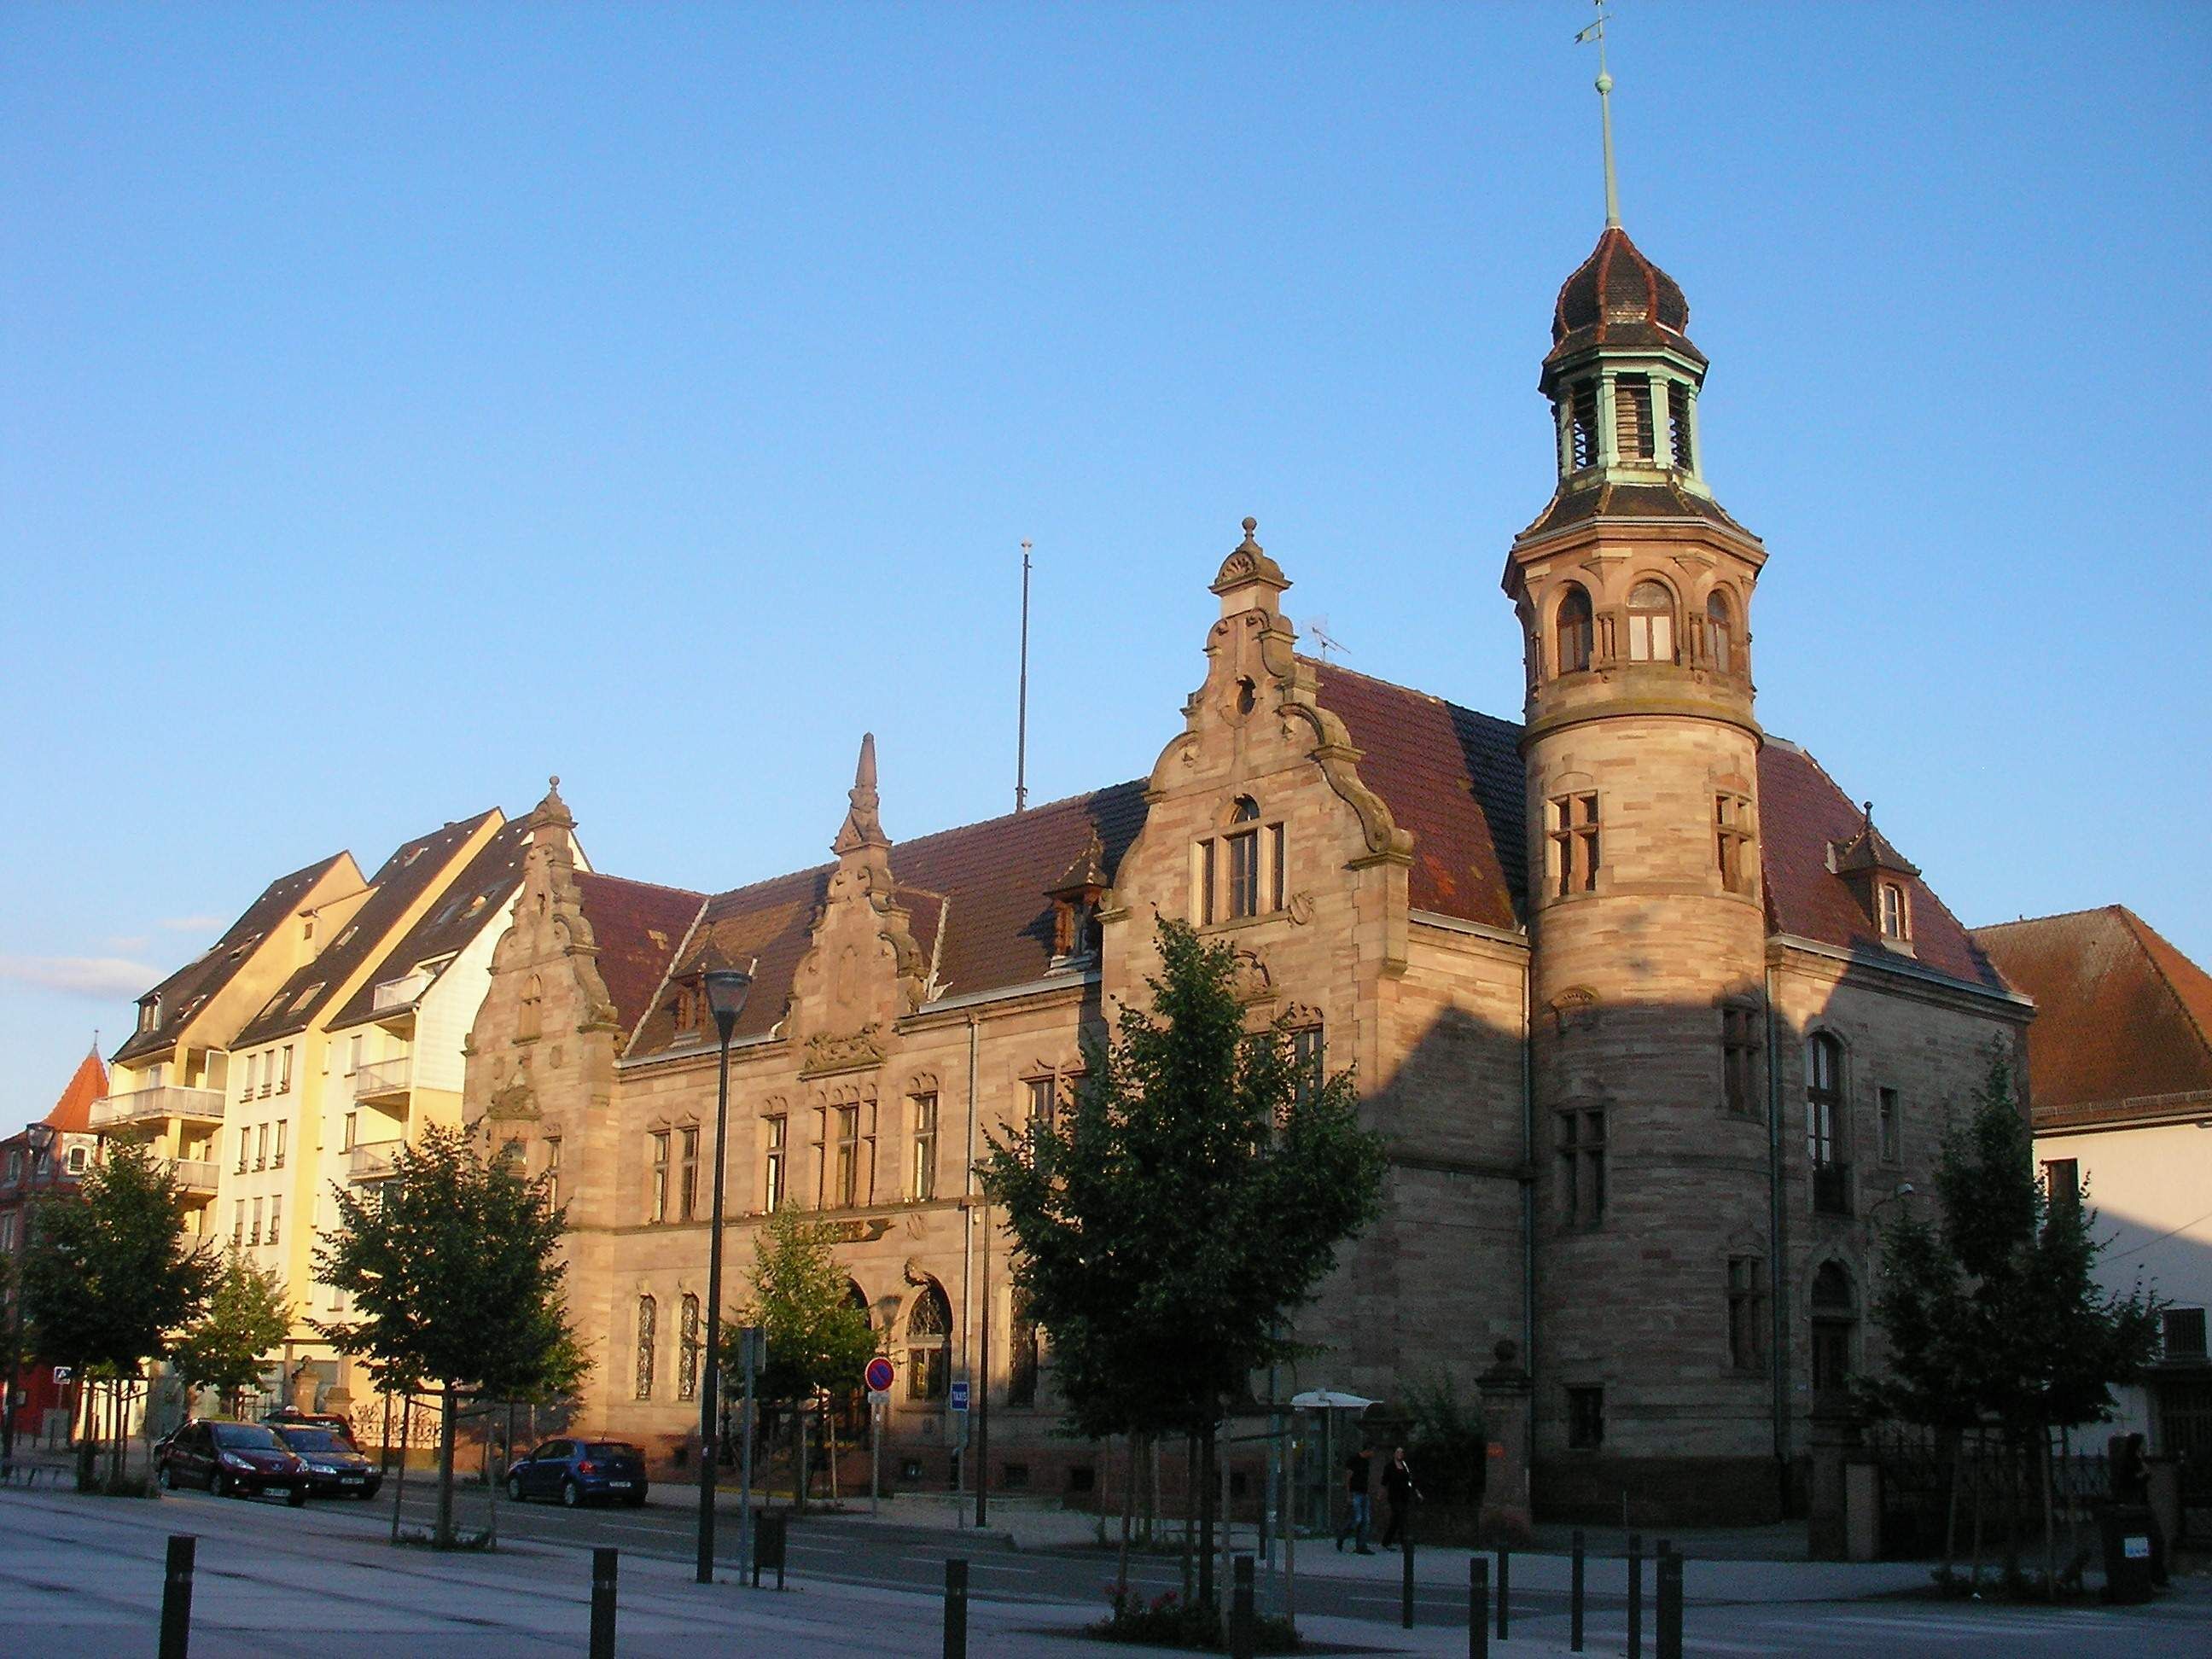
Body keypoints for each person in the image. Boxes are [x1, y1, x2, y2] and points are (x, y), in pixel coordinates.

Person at [1381, 1446, 1420, 1549]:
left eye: (1401, 1452)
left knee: (1396, 1519)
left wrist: (1416, 1492)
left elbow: (1410, 1480)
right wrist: (1381, 1493)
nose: (1400, 1454)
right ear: (1394, 1454)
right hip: (1394, 1496)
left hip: (1404, 1495)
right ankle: (1404, 1542)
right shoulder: (1389, 1467)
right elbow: (1384, 1481)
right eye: (1398, 1452)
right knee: (1401, 1517)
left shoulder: (1405, 1466)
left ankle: (1386, 1541)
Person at [1336, 1446, 1374, 1553]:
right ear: (1368, 1451)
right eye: (1372, 1452)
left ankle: (1361, 1546)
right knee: (1357, 1519)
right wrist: (1348, 1494)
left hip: (1364, 1493)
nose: (1373, 1454)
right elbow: (1348, 1477)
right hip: (1355, 1493)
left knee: (1365, 1520)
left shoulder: (1366, 1462)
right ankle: (1342, 1535)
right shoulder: (1353, 1460)